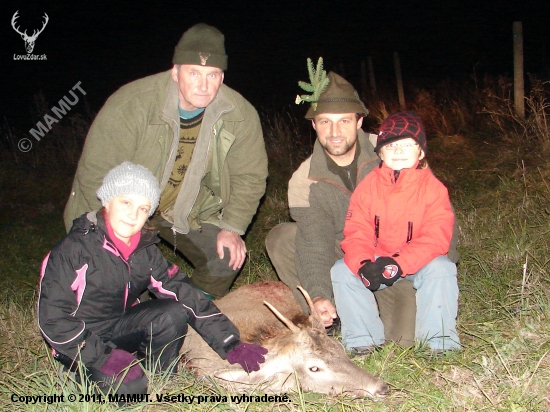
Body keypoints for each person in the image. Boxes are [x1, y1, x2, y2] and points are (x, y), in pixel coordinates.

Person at [63, 23, 268, 300]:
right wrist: (115, 232)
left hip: (185, 210)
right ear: (175, 72)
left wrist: (232, 227)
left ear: (222, 76)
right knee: (121, 285)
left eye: (213, 75)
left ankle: (188, 312)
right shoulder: (132, 104)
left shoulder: (239, 114)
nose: (204, 85)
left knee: (226, 257)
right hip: (121, 210)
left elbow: (250, 177)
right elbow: (95, 176)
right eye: (194, 73)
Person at [39, 162, 267, 396]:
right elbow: (53, 319)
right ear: (107, 201)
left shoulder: (143, 250)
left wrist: (231, 344)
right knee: (130, 392)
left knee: (174, 311)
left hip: (119, 326)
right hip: (79, 340)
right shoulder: (73, 250)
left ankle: (161, 375)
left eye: (143, 208)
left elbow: (184, 292)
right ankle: (76, 373)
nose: (133, 215)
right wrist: (103, 357)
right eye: (126, 202)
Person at [266, 64, 438, 344]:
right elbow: (314, 242)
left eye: (344, 121)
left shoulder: (393, 150)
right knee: (283, 237)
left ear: (359, 122)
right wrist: (319, 293)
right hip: (343, 257)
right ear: (314, 124)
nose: (334, 131)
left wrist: (422, 269)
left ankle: (379, 309)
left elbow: (435, 213)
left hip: (394, 258)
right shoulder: (304, 180)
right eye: (325, 121)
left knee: (405, 340)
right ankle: (325, 315)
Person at [331, 111, 461, 354]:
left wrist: (400, 264)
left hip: (417, 262)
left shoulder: (434, 189)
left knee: (442, 267)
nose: (398, 151)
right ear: (380, 153)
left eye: (407, 145)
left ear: (420, 151)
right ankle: (361, 340)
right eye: (390, 146)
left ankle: (440, 343)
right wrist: (362, 264)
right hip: (378, 261)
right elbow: (357, 232)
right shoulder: (367, 187)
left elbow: (436, 238)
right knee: (341, 270)